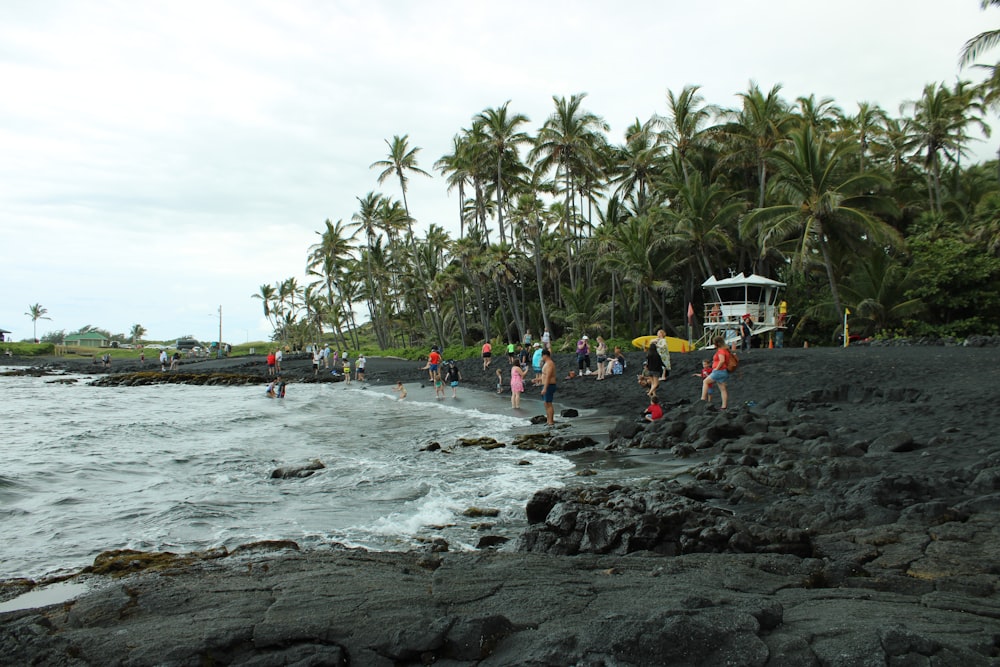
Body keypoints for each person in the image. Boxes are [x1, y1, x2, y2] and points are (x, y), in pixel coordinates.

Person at [701, 336, 732, 410]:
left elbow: (722, 360)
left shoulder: (721, 351)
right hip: (724, 371)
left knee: (705, 381)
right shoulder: (726, 350)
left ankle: (702, 399)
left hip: (719, 371)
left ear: (717, 343)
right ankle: (724, 406)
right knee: (723, 389)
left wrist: (716, 369)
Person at [539, 348, 557, 426]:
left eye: (542, 356)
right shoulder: (546, 363)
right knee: (546, 403)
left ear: (545, 355)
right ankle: (548, 420)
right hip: (546, 384)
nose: (542, 358)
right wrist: (537, 379)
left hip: (549, 385)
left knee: (548, 403)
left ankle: (551, 421)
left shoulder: (550, 363)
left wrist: (545, 388)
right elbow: (545, 375)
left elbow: (548, 376)